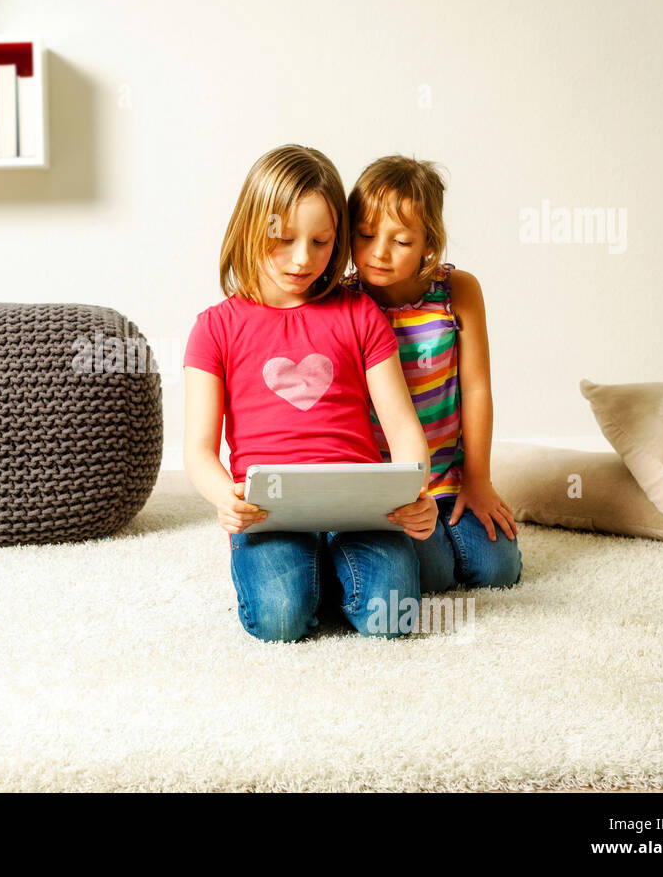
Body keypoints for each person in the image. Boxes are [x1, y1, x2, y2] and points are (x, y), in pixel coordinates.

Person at [183, 144, 437, 642]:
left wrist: (416, 491)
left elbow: (403, 427)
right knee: (279, 621)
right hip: (269, 512)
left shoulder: (359, 315)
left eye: (321, 242)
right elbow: (197, 449)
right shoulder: (214, 328)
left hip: (359, 506)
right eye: (284, 239)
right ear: (251, 226)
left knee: (392, 619)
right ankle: (316, 574)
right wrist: (225, 498)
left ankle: (331, 571)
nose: (303, 260)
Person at [342, 155, 522, 594]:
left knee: (497, 571)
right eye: (365, 236)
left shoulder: (458, 292)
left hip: (450, 474)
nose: (379, 253)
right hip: (390, 485)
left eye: (400, 241)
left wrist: (479, 480)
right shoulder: (345, 302)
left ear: (428, 242)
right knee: (436, 575)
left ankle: (461, 508)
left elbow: (477, 389)